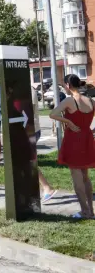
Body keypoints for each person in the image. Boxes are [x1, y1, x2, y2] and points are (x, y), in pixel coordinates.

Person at [50, 74, 95, 219]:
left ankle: (85, 211)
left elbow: (52, 114)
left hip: (74, 140)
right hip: (87, 139)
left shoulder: (70, 100)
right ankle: (91, 210)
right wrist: (92, 130)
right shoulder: (90, 100)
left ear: (68, 85)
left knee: (77, 177)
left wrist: (68, 122)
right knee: (85, 177)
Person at [31, 85, 57, 203]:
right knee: (26, 162)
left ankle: (47, 187)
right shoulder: (24, 89)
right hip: (28, 130)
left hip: (31, 130)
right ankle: (39, 188)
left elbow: (28, 110)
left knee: (29, 162)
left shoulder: (28, 90)